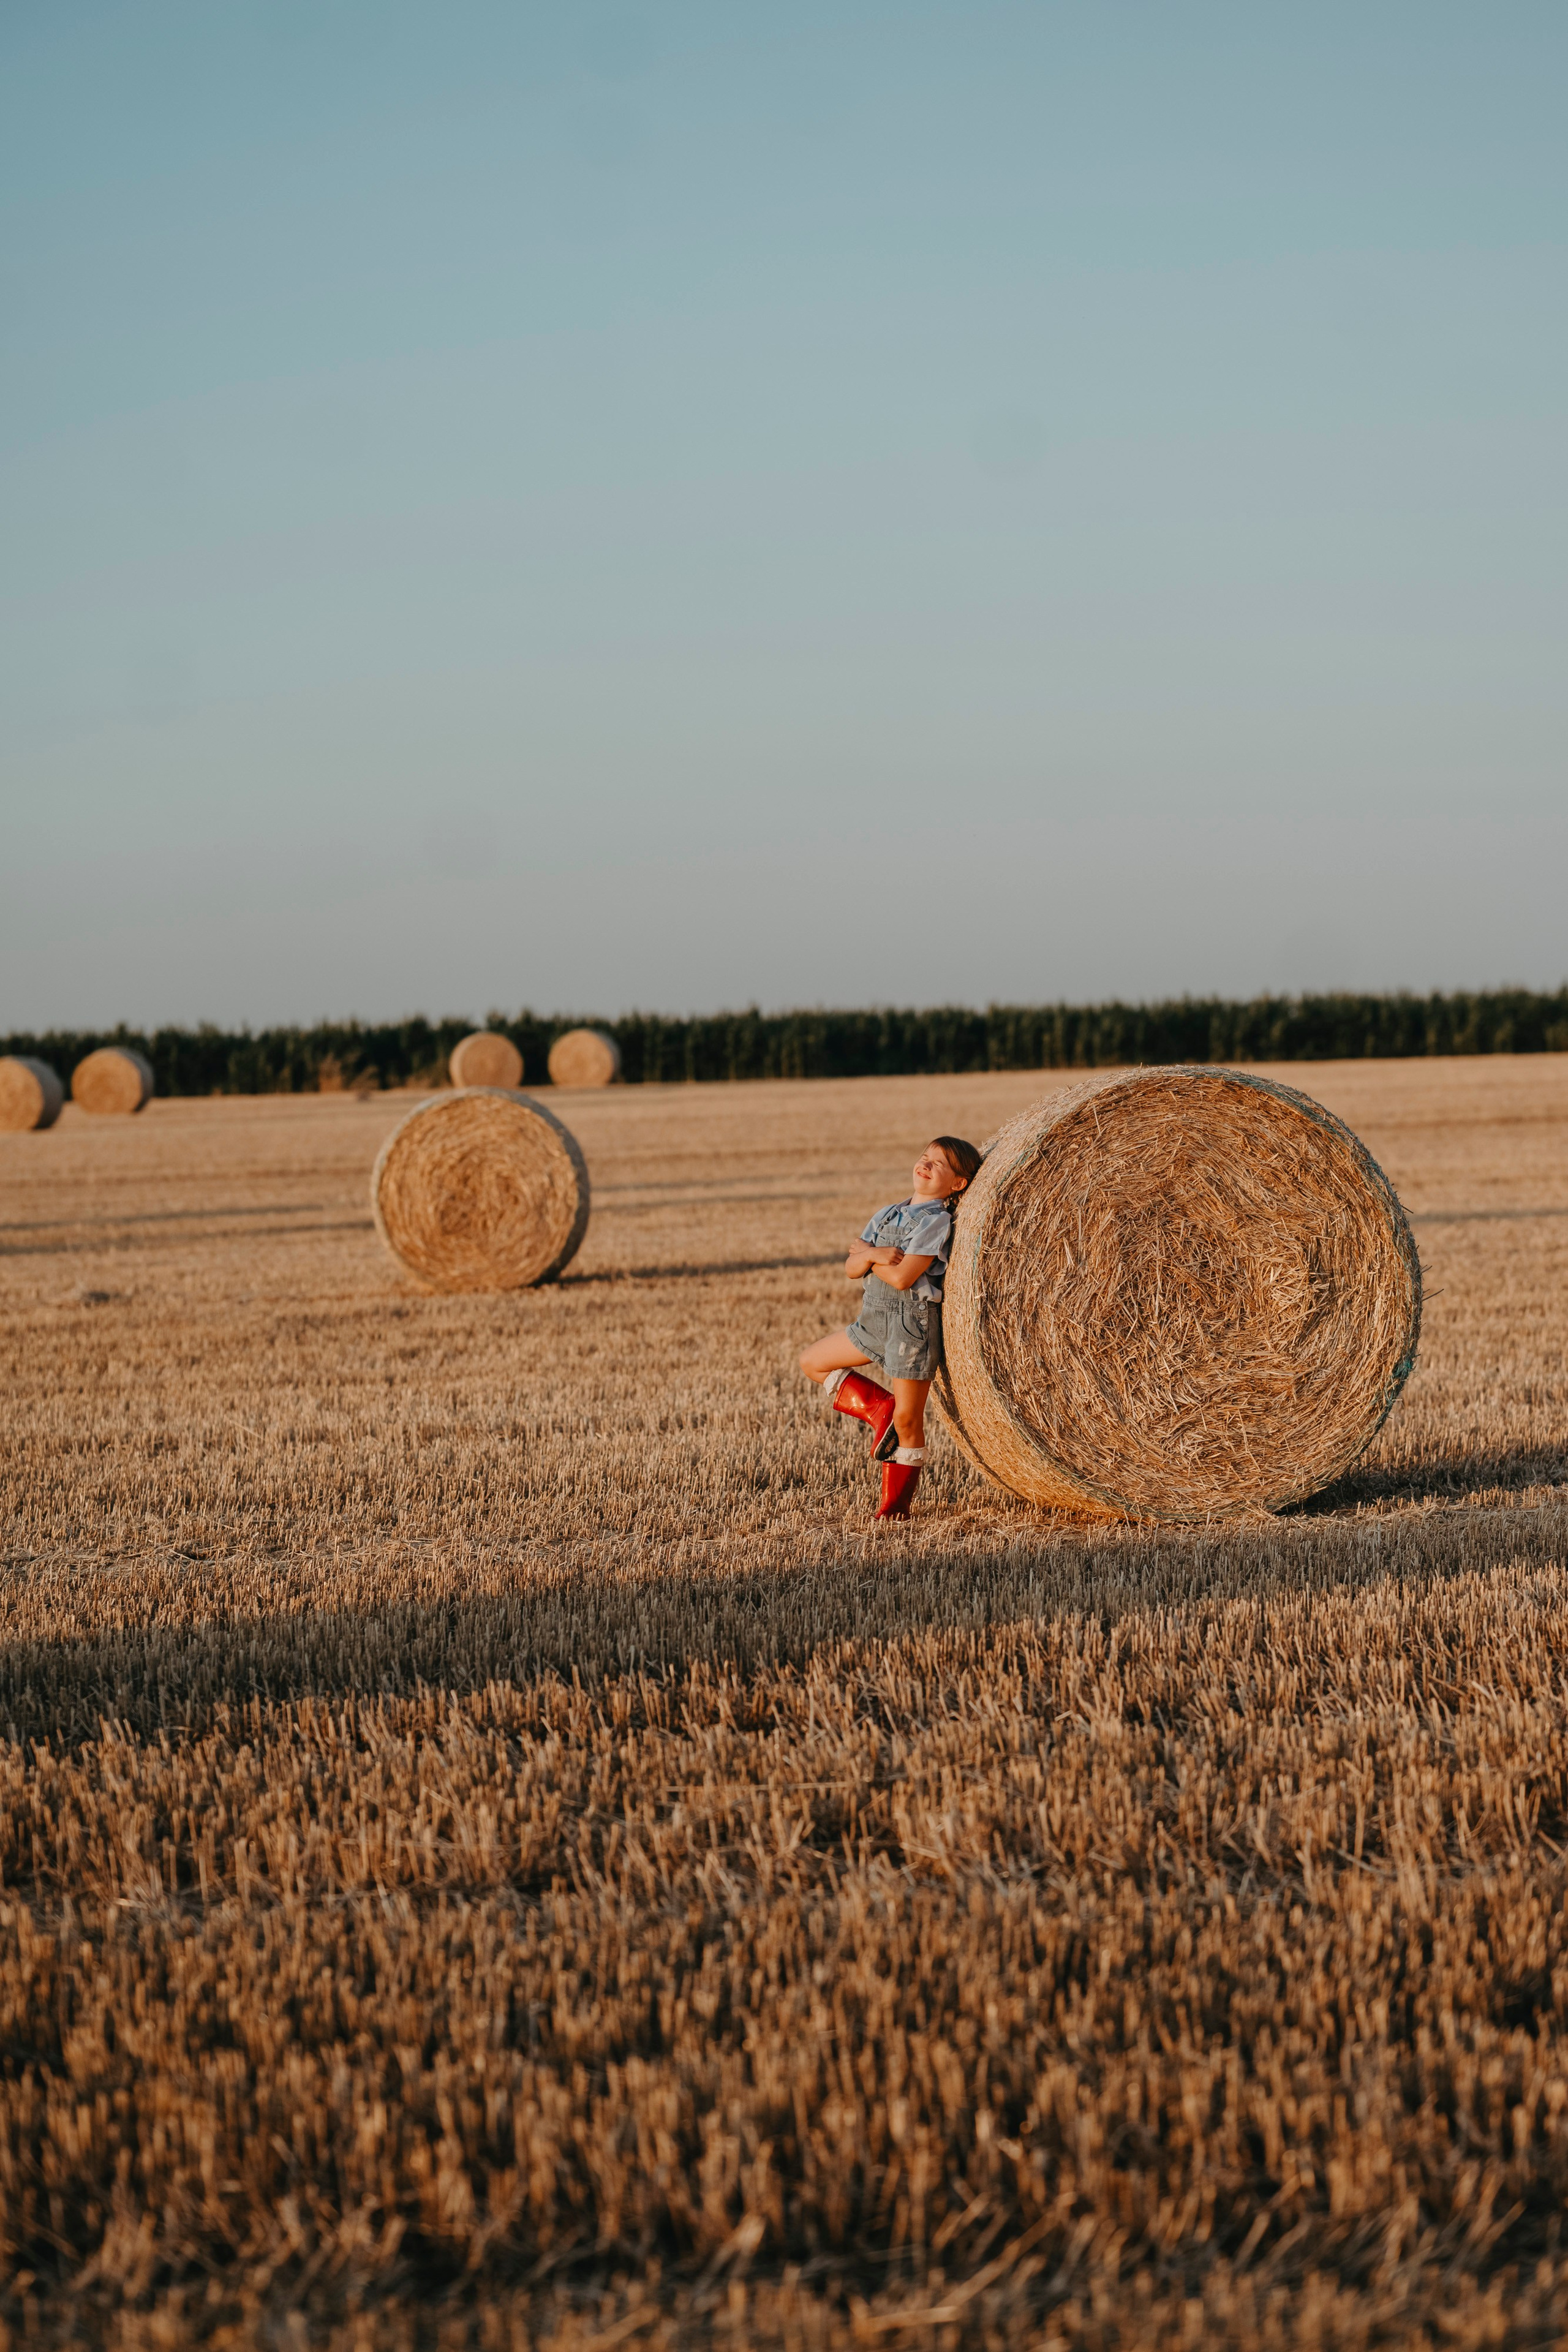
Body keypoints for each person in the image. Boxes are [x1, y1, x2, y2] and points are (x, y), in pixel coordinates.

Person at [799, 1134, 984, 1519]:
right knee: (812, 1362)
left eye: (939, 1164)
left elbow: (902, 1278)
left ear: (958, 1184)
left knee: (908, 1420)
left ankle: (896, 1507)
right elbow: (851, 1270)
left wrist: (869, 1254)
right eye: (925, 1157)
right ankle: (879, 1408)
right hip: (873, 1320)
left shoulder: (936, 1222)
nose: (926, 1164)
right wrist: (873, 1256)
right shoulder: (886, 1213)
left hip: (910, 1328)